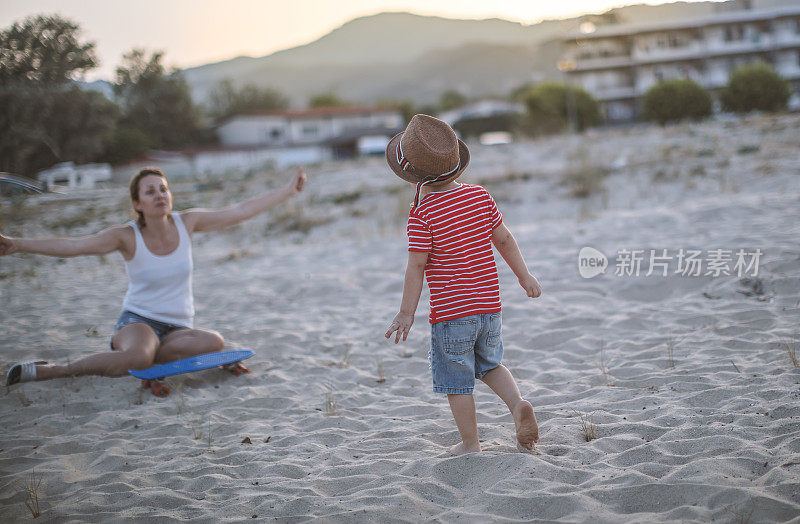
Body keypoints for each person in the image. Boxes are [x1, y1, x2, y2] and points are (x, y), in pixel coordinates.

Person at [2, 166, 306, 386]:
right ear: (137, 203)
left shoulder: (188, 222)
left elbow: (240, 209)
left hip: (177, 329)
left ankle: (148, 356)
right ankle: (52, 370)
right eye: (150, 191)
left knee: (214, 342)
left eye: (163, 189)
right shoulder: (126, 236)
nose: (159, 195)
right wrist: (16, 244)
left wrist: (286, 192)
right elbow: (74, 245)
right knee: (137, 358)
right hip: (139, 321)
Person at [384, 114, 541, 455]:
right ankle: (517, 406)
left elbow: (416, 266)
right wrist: (523, 275)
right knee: (491, 365)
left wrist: (405, 312)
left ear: (412, 174)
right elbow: (505, 239)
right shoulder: (480, 197)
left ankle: (471, 443)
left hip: (451, 314)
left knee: (457, 382)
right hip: (488, 307)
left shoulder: (423, 214)